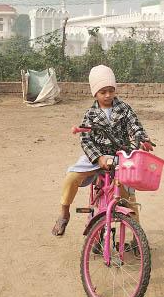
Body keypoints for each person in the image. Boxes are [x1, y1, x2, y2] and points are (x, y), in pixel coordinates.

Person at [51, 64, 154, 236]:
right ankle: (64, 212)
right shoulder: (90, 114)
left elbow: (135, 126)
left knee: (128, 197)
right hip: (96, 158)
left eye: (111, 90)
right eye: (102, 92)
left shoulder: (124, 108)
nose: (107, 95)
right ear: (95, 93)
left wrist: (142, 138)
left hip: (119, 156)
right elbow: (85, 139)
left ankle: (137, 237)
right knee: (71, 177)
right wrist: (98, 158)